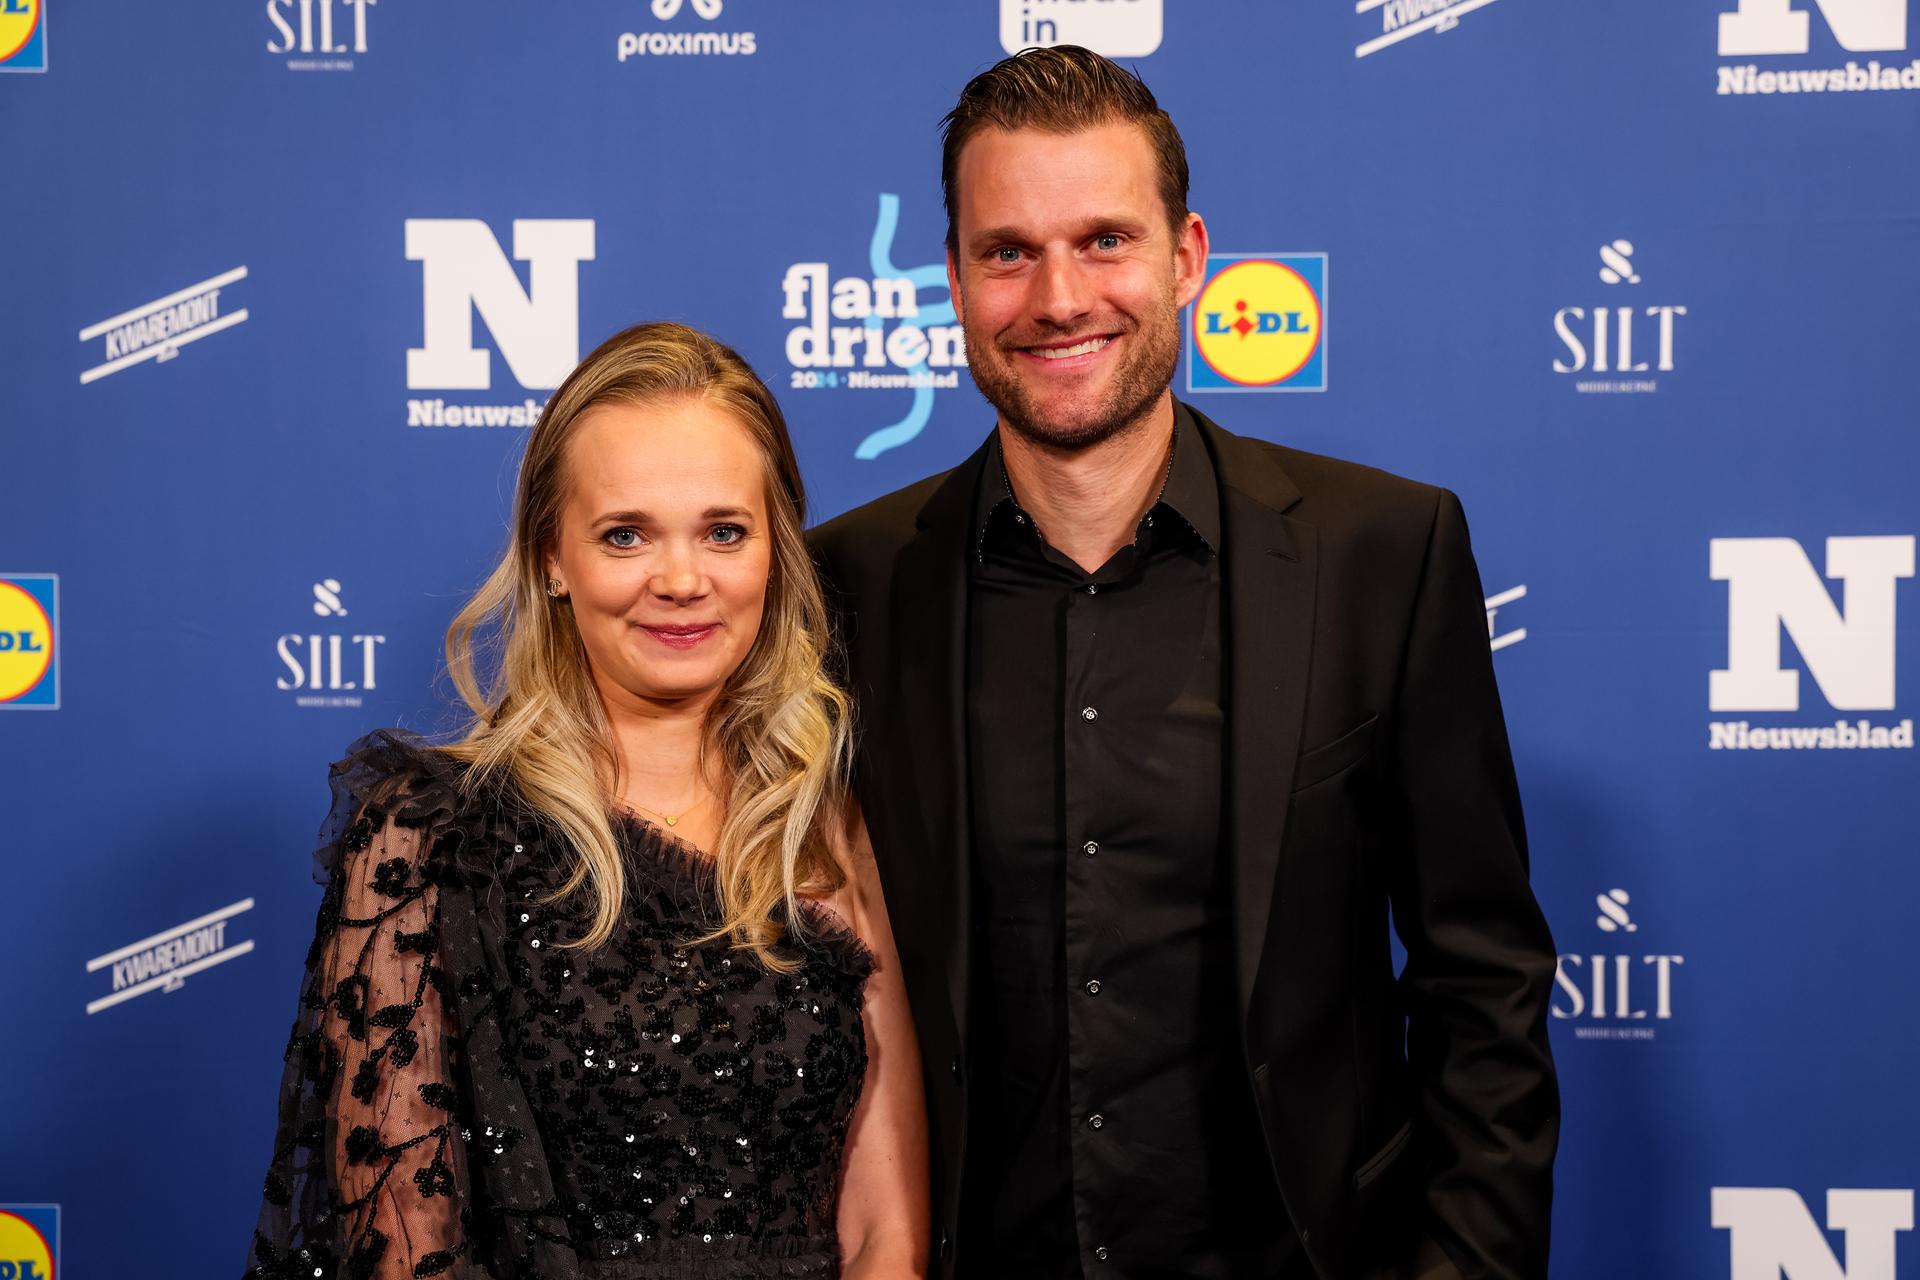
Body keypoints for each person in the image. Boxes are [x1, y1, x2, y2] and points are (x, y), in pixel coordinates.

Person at [809, 47, 1558, 1280]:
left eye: (1104, 238)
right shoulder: (849, 582)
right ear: (952, 281)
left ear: (1188, 256)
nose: (1058, 297)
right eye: (1008, 251)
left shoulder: (1383, 551)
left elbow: (1484, 984)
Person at [246, 322, 929, 1280]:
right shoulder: (430, 839)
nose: (683, 580)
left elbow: (884, 1232)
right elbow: (407, 1254)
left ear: (775, 551)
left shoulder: (824, 824)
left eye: (724, 531)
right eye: (625, 535)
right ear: (553, 557)